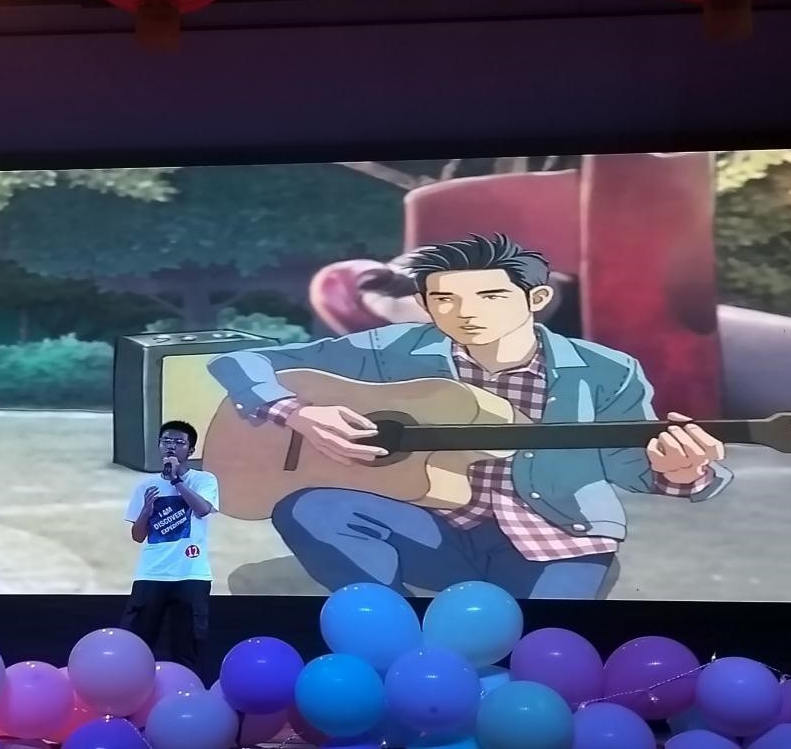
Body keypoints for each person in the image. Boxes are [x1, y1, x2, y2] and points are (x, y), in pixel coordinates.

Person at [209, 233, 732, 600]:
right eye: (444, 299)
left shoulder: (605, 370)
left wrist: (680, 470)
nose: (466, 313)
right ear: (426, 303)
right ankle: (387, 630)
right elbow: (240, 361)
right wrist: (295, 411)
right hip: (431, 530)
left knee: (536, 653)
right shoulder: (395, 348)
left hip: (556, 538)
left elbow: (628, 463)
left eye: (490, 295)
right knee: (311, 508)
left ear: (537, 298)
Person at [121, 420, 219, 675]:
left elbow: (203, 509)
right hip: (151, 573)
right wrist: (146, 510)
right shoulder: (145, 486)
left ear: (191, 450)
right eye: (166, 441)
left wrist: (176, 481)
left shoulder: (203, 480)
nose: (171, 447)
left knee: (187, 644)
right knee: (136, 643)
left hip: (191, 574)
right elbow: (137, 536)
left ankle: (188, 689)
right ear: (159, 446)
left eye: (179, 442)